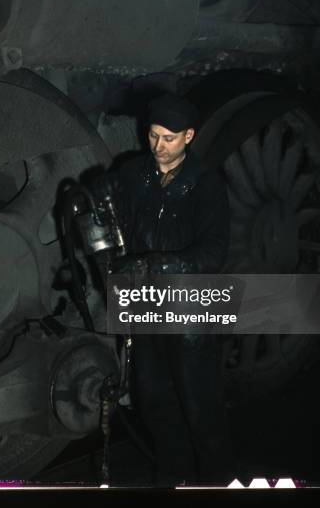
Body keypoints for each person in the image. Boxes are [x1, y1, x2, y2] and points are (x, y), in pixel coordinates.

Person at [107, 92, 235, 486]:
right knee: (155, 402)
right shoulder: (135, 173)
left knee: (200, 408)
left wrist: (159, 263)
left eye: (169, 138)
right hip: (147, 308)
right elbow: (106, 200)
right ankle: (172, 479)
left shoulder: (206, 186)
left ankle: (217, 481)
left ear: (189, 136)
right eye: (152, 136)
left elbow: (213, 252)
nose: (158, 147)